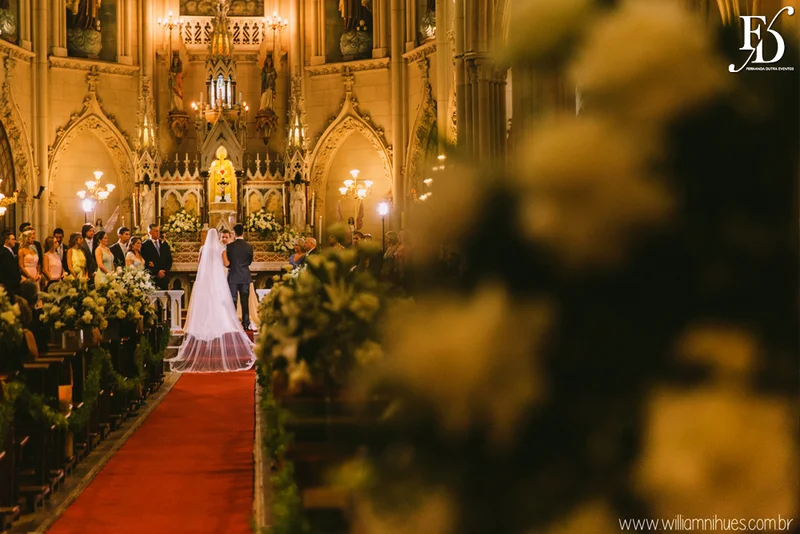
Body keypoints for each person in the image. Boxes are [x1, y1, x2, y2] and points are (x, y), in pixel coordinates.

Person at [166, 228, 256, 373]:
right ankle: (220, 323)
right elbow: (227, 264)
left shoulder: (203, 248)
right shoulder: (221, 249)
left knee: (205, 303)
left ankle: (203, 324)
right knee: (219, 303)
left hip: (205, 281)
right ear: (218, 237)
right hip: (218, 281)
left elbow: (199, 263)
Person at [223, 224, 255, 331]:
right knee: (245, 302)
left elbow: (228, 262)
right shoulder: (249, 246)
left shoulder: (230, 246)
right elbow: (249, 262)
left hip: (233, 276)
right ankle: (246, 324)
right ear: (243, 232)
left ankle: (233, 324)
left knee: (233, 301)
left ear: (234, 233)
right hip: (245, 276)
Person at [141, 224, 173, 290]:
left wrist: (164, 271)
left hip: (164, 277)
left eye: (158, 231)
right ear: (150, 232)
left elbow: (169, 260)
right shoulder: (144, 245)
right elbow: (145, 261)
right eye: (156, 231)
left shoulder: (164, 244)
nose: (158, 233)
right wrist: (157, 272)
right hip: (152, 277)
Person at [0, 230, 20, 298]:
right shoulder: (4, 252)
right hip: (8, 283)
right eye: (13, 239)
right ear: (7, 240)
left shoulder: (11, 251)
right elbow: (6, 268)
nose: (15, 241)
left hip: (14, 283)